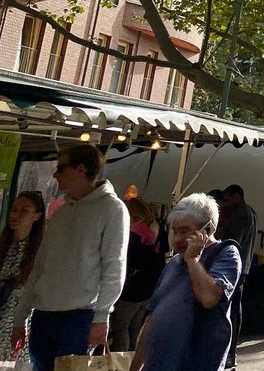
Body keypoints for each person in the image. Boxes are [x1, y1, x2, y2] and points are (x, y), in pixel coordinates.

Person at [12, 144, 128, 371]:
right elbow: (40, 266)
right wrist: (21, 317)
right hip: (44, 313)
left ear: (81, 170)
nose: (55, 174)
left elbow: (115, 266)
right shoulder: (61, 212)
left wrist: (102, 316)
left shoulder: (112, 209)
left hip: (80, 316)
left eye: (61, 168)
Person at [129, 193, 241, 371]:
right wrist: (135, 367)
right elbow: (152, 319)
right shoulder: (174, 262)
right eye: (175, 231)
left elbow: (208, 298)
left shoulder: (226, 254)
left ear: (208, 229)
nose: (177, 240)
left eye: (185, 231)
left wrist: (193, 260)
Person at [111, 197, 162, 352]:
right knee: (135, 326)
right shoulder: (156, 230)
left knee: (120, 327)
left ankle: (120, 359)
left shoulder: (133, 234)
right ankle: (131, 359)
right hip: (148, 290)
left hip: (132, 291)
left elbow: (129, 264)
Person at [0, 191, 45, 367]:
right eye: (14, 210)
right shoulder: (4, 245)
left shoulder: (40, 251)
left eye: (24, 210)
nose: (16, 215)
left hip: (18, 325)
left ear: (37, 216)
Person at [218, 183, 257, 368]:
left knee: (232, 310)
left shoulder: (240, 213)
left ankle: (229, 352)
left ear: (236, 196)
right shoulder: (251, 212)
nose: (226, 203)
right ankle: (231, 352)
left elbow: (233, 240)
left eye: (227, 199)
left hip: (236, 267)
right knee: (236, 310)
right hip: (245, 265)